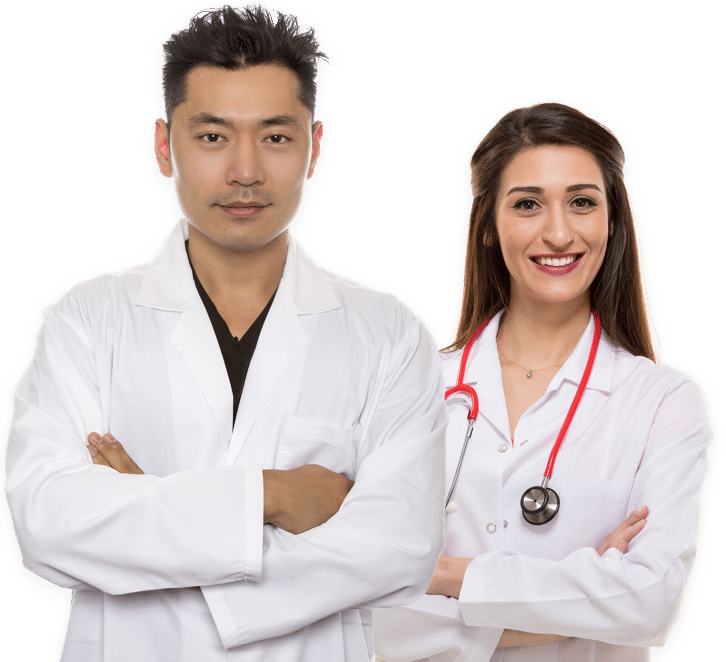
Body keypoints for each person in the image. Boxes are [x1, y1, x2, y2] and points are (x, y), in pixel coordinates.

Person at [5, 4, 446, 661]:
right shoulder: (85, 321)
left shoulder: (389, 334)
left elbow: (400, 548)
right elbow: (48, 525)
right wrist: (274, 495)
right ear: (163, 147)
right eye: (212, 137)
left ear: (315, 148)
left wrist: (145, 515)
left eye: (275, 137)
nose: (245, 171)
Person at [373, 102, 712, 662]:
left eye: (582, 202)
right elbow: (361, 609)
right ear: (487, 227)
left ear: (612, 222)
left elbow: (651, 604)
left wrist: (449, 577)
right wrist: (586, 598)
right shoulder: (409, 386)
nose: (558, 233)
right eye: (527, 204)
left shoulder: (664, 402)